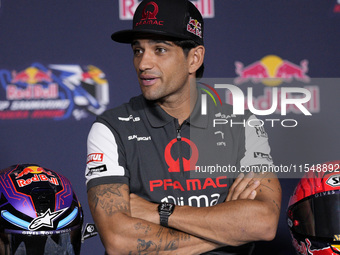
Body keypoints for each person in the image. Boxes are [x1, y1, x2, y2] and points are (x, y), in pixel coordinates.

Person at [85, 0, 281, 254]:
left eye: (160, 50)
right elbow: (118, 240)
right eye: (138, 50)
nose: (144, 63)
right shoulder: (110, 128)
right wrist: (230, 231)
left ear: (194, 58)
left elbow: (263, 222)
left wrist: (160, 212)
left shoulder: (243, 125)